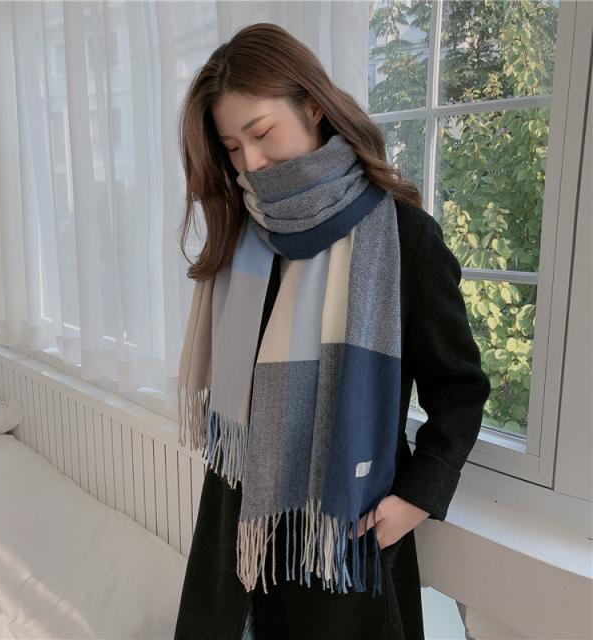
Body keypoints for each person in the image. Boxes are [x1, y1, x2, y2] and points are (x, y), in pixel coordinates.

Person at [173, 23, 490, 640]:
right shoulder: (246, 239)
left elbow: (460, 391)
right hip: (238, 522)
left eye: (261, 133)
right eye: (232, 147)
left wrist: (416, 498)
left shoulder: (403, 239)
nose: (251, 163)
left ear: (313, 106)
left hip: (341, 534)